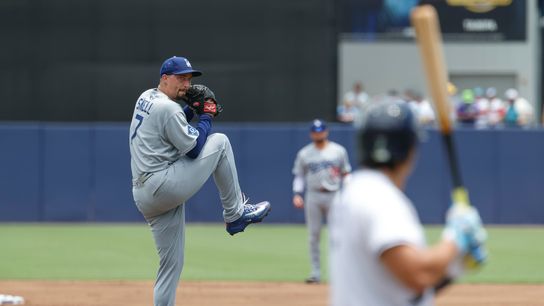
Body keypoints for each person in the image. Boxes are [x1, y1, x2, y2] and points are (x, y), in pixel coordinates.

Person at [129, 56, 271, 306]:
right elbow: (194, 150)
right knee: (220, 142)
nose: (186, 84)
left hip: (145, 195)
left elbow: (170, 127)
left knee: (171, 266)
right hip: (162, 184)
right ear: (164, 78)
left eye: (188, 78)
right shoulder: (168, 108)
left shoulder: (146, 97)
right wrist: (206, 115)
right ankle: (235, 214)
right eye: (180, 78)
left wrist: (192, 110)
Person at [329, 101, 487, 306]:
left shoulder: (355, 192)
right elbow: (418, 276)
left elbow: (404, 290)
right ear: (409, 150)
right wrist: (455, 239)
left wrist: (452, 268)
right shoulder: (381, 197)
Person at [292, 119, 351, 284]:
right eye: (315, 131)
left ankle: (338, 274)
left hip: (334, 195)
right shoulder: (305, 153)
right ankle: (316, 273)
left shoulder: (338, 151)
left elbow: (346, 173)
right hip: (314, 196)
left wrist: (348, 190)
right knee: (314, 235)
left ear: (326, 132)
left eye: (321, 131)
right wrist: (297, 193)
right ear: (312, 133)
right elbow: (299, 176)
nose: (318, 134)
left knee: (337, 235)